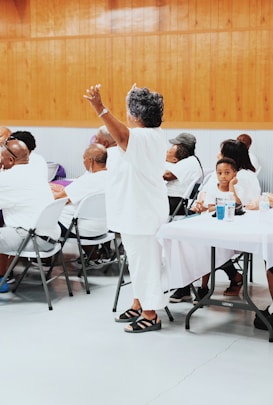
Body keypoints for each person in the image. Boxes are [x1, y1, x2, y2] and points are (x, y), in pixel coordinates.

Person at [84, 83, 169, 333]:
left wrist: (100, 108)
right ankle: (139, 301)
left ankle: (151, 314)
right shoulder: (148, 136)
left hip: (142, 212)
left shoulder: (144, 136)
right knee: (137, 262)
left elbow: (121, 137)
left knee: (146, 264)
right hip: (135, 210)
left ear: (136, 115)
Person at [192, 139, 261, 300]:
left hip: (233, 226)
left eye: (221, 152)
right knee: (185, 242)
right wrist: (200, 204)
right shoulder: (220, 173)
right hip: (208, 219)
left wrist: (210, 206)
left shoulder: (243, 177)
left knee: (205, 245)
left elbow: (240, 205)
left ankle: (233, 276)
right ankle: (188, 283)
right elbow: (204, 194)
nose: (218, 155)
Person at [0, 139, 59, 293]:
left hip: (32, 239)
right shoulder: (35, 174)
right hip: (50, 238)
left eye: (1, 157)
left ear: (11, 160)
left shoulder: (8, 179)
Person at [54, 143, 108, 239]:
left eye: (84, 159)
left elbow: (59, 198)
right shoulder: (112, 178)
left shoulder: (89, 181)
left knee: (46, 220)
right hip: (104, 227)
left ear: (90, 161)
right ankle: (93, 254)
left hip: (80, 230)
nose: (83, 162)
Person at [164, 132, 203, 215]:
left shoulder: (189, 162)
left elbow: (167, 176)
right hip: (173, 200)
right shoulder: (190, 160)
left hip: (173, 201)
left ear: (181, 146)